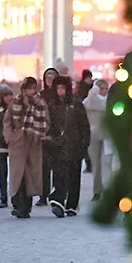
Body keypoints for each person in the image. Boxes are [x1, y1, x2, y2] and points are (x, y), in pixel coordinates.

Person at [4, 77, 48, 219]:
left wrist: (38, 134)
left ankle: (25, 207)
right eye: (29, 88)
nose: (31, 91)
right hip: (18, 144)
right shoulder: (15, 102)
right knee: (18, 175)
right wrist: (12, 136)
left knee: (29, 176)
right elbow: (7, 121)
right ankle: (18, 205)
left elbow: (46, 122)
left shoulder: (40, 103)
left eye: (33, 88)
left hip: (33, 143)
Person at [47, 76, 91, 218]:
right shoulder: (52, 106)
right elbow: (48, 126)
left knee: (74, 177)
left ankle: (71, 205)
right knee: (59, 175)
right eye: (58, 88)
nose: (60, 91)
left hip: (74, 145)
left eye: (63, 88)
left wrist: (83, 146)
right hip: (58, 146)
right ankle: (58, 200)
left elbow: (84, 127)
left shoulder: (77, 105)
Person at [83, 79, 110, 200]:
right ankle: (97, 190)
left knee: (107, 164)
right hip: (94, 135)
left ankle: (108, 189)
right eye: (101, 88)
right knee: (96, 164)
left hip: (108, 135)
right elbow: (86, 105)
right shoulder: (90, 100)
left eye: (105, 88)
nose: (104, 91)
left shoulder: (110, 101)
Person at [37, 67, 60, 206]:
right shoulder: (41, 96)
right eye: (48, 78)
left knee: (57, 166)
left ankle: (57, 193)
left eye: (52, 77)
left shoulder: (61, 95)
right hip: (43, 136)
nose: (50, 80)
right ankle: (43, 194)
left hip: (57, 136)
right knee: (43, 167)